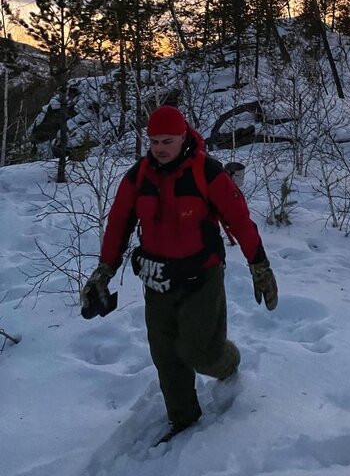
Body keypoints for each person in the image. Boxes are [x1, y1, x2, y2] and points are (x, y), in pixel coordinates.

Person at [81, 105, 278, 437]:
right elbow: (118, 225)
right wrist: (103, 272)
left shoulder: (207, 173)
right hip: (156, 280)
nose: (160, 148)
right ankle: (183, 420)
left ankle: (228, 362)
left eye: (167, 141)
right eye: (154, 141)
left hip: (201, 278)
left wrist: (260, 266)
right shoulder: (138, 177)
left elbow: (240, 221)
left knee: (200, 352)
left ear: (184, 137)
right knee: (166, 356)